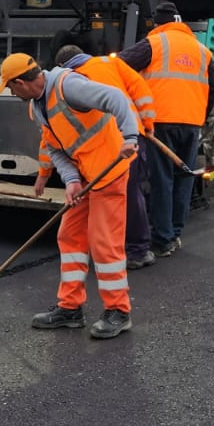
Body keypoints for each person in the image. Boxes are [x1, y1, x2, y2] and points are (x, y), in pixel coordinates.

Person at [4, 51, 140, 340]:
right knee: (70, 236)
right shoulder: (37, 107)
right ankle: (70, 308)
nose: (11, 92)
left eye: (10, 86)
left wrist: (130, 137)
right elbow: (55, 148)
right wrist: (71, 181)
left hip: (109, 172)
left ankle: (118, 311)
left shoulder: (68, 86)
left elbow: (115, 98)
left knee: (104, 243)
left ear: (20, 82)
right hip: (85, 177)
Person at [119, 0, 214, 257]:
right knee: (184, 177)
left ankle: (162, 239)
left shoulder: (154, 43)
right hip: (191, 123)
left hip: (159, 121)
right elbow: (212, 89)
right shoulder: (202, 50)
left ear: (157, 23)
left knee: (162, 179)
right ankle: (174, 232)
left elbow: (119, 66)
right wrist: (199, 116)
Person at [54, 43, 159, 271]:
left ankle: (111, 250)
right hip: (129, 137)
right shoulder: (110, 62)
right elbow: (139, 88)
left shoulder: (67, 81)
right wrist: (147, 124)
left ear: (62, 65)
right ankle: (136, 251)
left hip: (108, 142)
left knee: (110, 197)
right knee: (131, 194)